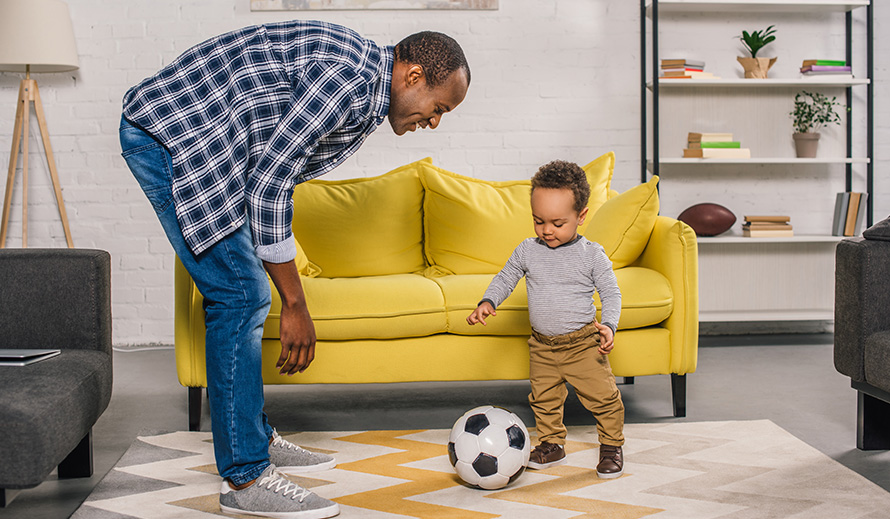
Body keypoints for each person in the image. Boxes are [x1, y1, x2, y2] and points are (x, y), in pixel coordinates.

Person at [119, 20, 469, 519]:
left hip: (214, 144)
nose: (434, 122)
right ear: (413, 76)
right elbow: (269, 185)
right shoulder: (347, 82)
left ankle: (252, 437)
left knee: (244, 292)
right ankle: (246, 480)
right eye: (439, 108)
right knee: (241, 296)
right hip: (173, 136)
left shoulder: (367, 87)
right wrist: (296, 304)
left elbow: (272, 165)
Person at [466, 160, 625, 479]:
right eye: (538, 221)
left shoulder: (591, 254)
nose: (547, 230)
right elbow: (506, 276)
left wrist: (609, 324)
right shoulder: (528, 250)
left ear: (581, 216)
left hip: (582, 345)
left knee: (604, 398)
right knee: (544, 399)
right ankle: (553, 444)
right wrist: (488, 300)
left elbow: (611, 292)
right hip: (542, 346)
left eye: (557, 222)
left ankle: (611, 445)